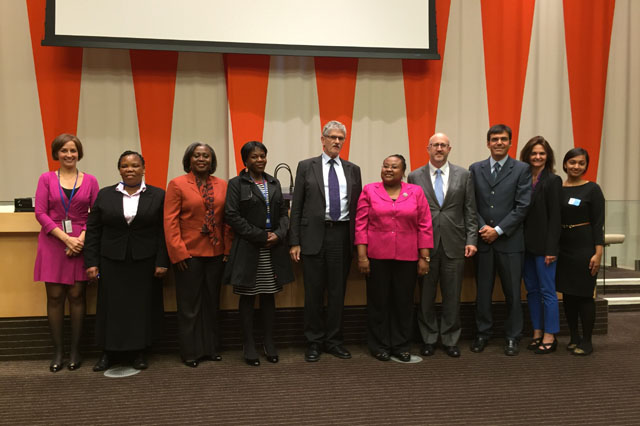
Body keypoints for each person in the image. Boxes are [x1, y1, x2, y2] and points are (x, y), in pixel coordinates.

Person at [85, 151, 169, 371]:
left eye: (134, 165)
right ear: (119, 169)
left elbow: (164, 231)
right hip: (111, 260)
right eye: (125, 166)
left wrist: (162, 261)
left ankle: (138, 352)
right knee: (111, 307)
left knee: (140, 307)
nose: (129, 169)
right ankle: (108, 353)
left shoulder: (159, 195)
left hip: (145, 261)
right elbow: (93, 230)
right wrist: (91, 262)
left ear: (143, 168)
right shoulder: (105, 195)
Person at [289, 120, 362, 362]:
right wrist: (295, 241)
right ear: (323, 140)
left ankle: (334, 341)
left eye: (341, 138)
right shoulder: (306, 167)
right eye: (332, 137)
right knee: (313, 292)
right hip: (312, 237)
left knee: (337, 292)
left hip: (341, 236)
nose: (336, 142)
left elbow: (358, 209)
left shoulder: (353, 169)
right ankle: (313, 342)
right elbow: (296, 207)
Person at [355, 154, 433, 362]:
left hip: (407, 257)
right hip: (376, 257)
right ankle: (379, 345)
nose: (388, 169)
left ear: (403, 171)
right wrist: (362, 256)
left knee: (403, 302)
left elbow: (425, 225)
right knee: (378, 302)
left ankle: (400, 345)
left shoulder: (415, 192)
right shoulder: (370, 190)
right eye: (385, 166)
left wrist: (424, 257)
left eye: (394, 167)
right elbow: (361, 224)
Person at [224, 141, 294, 366]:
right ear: (245, 161)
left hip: (272, 248)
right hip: (248, 247)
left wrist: (278, 234)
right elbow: (232, 216)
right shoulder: (236, 183)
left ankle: (269, 342)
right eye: (254, 157)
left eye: (262, 156)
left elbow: (284, 213)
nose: (260, 160)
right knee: (247, 297)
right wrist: (260, 236)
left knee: (268, 296)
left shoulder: (273, 182)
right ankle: (249, 344)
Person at [408, 133, 477, 358]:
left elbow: (470, 210)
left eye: (443, 145)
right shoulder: (414, 176)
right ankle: (428, 338)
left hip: (455, 243)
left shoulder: (464, 175)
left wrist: (471, 239)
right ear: (427, 148)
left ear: (449, 149)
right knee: (426, 295)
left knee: (452, 295)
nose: (439, 148)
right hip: (425, 246)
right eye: (435, 145)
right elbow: (412, 213)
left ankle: (450, 339)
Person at [34, 134, 99, 372]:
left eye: (73, 150)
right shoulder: (46, 179)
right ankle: (58, 351)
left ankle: (75, 351)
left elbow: (96, 213)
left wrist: (79, 240)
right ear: (56, 154)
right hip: (53, 242)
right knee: (54, 298)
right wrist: (65, 239)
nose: (68, 155)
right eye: (63, 150)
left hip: (81, 243)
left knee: (77, 297)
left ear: (79, 153)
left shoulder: (90, 180)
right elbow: (40, 213)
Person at [164, 143, 232, 367]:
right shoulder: (177, 184)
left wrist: (227, 249)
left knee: (212, 303)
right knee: (190, 305)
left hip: (215, 253)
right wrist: (178, 253)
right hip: (188, 254)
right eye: (197, 155)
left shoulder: (222, 185)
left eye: (206, 156)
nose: (202, 159)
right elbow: (170, 221)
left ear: (212, 161)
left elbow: (227, 221)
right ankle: (191, 352)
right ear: (189, 160)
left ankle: (211, 348)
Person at [469, 124, 532, 356]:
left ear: (510, 143)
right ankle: (483, 333)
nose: (498, 143)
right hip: (483, 240)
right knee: (483, 292)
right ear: (487, 143)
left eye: (503, 139)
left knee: (513, 293)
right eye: (494, 139)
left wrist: (498, 229)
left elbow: (523, 206)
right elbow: (470, 203)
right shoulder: (475, 169)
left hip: (510, 242)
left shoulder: (522, 169)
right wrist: (483, 226)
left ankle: (513, 336)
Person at [556, 148, 604, 356]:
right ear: (565, 164)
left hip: (584, 247)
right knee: (568, 295)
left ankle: (587, 340)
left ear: (586, 166)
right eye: (572, 162)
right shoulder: (557, 188)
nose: (576, 166)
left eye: (581, 163)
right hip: (562, 247)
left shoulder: (592, 189)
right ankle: (574, 336)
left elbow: (598, 223)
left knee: (585, 295)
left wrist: (598, 252)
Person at [519, 136, 562, 354]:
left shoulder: (553, 181)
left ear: (548, 156)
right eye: (534, 153)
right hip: (524, 246)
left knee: (547, 292)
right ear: (527, 155)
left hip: (545, 248)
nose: (537, 157)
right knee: (532, 292)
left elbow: (556, 218)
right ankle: (537, 331)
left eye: (542, 153)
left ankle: (550, 334)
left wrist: (551, 249)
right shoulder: (522, 178)